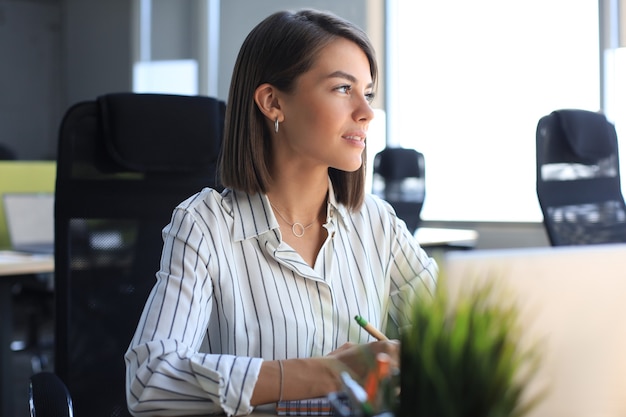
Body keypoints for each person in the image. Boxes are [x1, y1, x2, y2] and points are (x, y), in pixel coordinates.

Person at [125, 8, 438, 417]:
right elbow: (150, 382)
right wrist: (330, 373)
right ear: (273, 102)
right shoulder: (206, 224)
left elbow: (453, 342)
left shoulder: (377, 222)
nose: (365, 112)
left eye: (368, 93)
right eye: (343, 88)